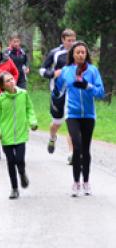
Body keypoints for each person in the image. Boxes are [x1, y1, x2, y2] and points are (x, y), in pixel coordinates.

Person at [54, 41, 104, 197]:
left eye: (83, 52)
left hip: (89, 115)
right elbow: (58, 90)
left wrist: (87, 86)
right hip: (72, 114)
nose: (81, 55)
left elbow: (101, 92)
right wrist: (56, 85)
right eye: (78, 52)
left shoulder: (93, 71)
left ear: (86, 54)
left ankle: (86, 181)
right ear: (73, 55)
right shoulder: (67, 71)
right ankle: (76, 182)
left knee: (86, 149)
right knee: (77, 147)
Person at [0, 72, 38, 199]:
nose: (11, 81)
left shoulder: (23, 94)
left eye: (12, 79)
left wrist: (32, 122)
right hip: (6, 136)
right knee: (11, 162)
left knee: (20, 160)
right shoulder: (0, 99)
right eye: (7, 81)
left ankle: (22, 173)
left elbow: (29, 109)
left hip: (21, 134)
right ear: (3, 86)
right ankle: (14, 188)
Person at [40, 29, 77, 161]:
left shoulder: (79, 52)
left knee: (72, 121)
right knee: (57, 122)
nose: (72, 43)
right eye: (69, 41)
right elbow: (42, 70)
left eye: (73, 40)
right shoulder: (55, 53)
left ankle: (72, 154)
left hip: (74, 92)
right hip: (57, 92)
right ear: (63, 40)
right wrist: (53, 74)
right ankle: (52, 137)